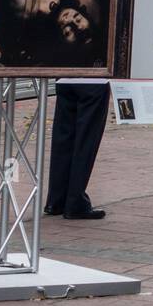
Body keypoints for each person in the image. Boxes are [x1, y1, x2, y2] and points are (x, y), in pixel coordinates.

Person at [45, 78, 110, 220]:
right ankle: (75, 202)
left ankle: (56, 200)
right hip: (93, 76)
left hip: (65, 74)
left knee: (64, 136)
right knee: (86, 140)